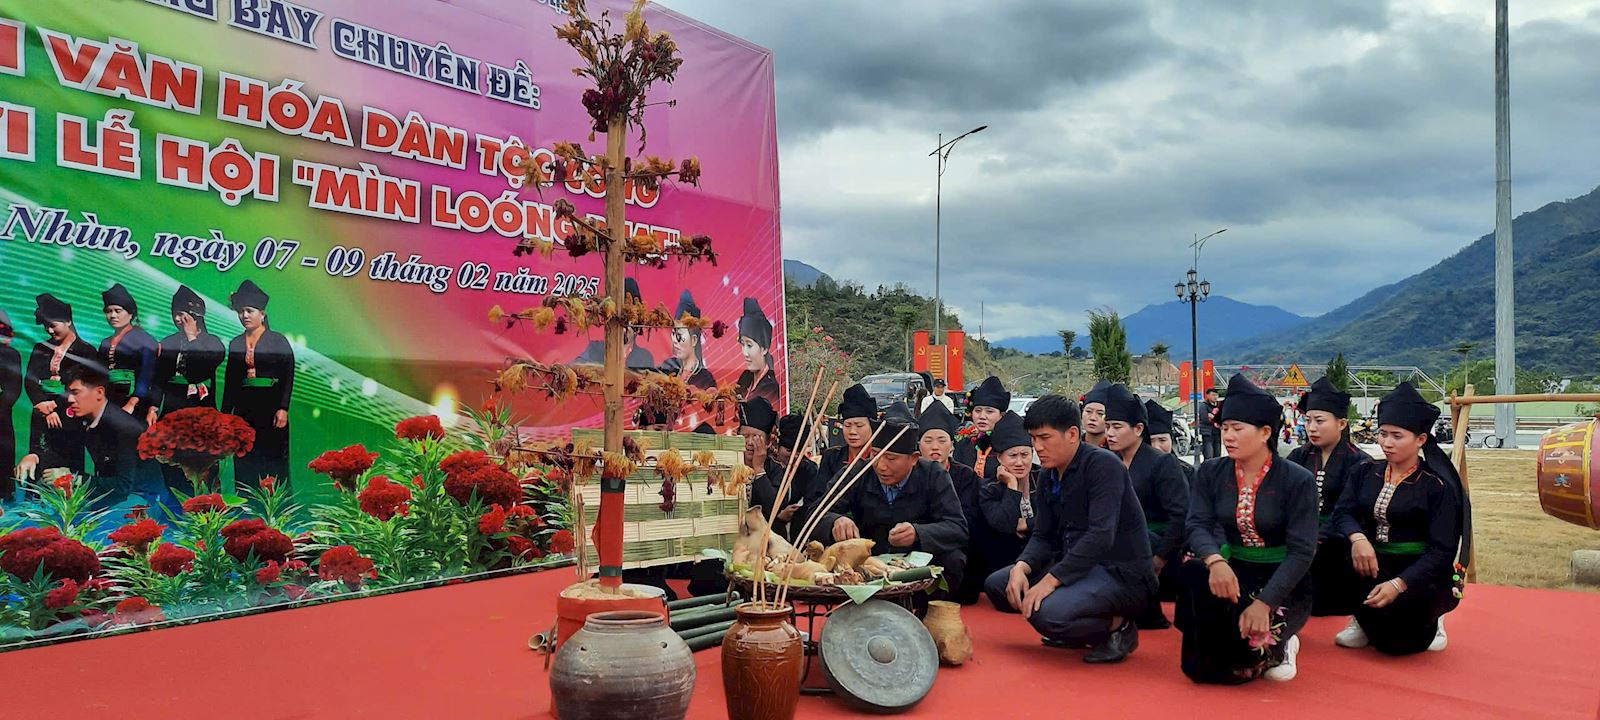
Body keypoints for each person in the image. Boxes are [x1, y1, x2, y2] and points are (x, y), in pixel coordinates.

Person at [985, 395, 1155, 664]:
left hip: (1117, 571)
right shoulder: (1049, 474)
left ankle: (1118, 627)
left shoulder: (1103, 465)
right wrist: (1022, 566)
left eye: (1044, 438)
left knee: (1046, 612)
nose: (1037, 447)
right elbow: (1042, 534)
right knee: (1000, 584)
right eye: (1033, 439)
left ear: (1073, 434)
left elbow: (1100, 536)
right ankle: (1071, 617)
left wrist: (1051, 581)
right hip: (1072, 560)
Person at [1177, 373, 1317, 684]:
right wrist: (1215, 562)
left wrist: (1265, 602)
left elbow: (1302, 551)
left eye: (1237, 429)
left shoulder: (1296, 480)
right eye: (1225, 428)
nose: (1228, 436)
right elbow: (1197, 523)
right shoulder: (1211, 472)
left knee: (1243, 668)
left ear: (1265, 432)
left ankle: (1285, 641)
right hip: (1232, 569)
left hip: (1282, 579)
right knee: (1201, 670)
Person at [1329, 382, 1470, 656]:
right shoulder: (1364, 471)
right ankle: (1362, 616)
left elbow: (1441, 550)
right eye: (1383, 434)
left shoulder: (1436, 486)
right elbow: (1342, 513)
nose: (1386, 443)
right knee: (1333, 549)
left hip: (1418, 571)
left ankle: (1434, 614)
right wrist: (1357, 538)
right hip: (1369, 562)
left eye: (1397, 436)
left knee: (1400, 645)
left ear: (1420, 440)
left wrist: (1399, 583)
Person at [818, 402, 968, 597]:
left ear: (914, 459)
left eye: (891, 458)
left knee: (953, 559)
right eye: (875, 455)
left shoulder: (933, 474)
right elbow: (815, 513)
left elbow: (957, 527)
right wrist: (835, 520)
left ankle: (928, 617)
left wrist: (918, 533)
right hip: (868, 561)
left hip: (915, 561)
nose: (880, 466)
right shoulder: (858, 471)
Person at [1103, 384, 1189, 630]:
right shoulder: (1107, 461)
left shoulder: (1162, 463)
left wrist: (1161, 557)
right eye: (1108, 426)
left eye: (1117, 427)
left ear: (1138, 429)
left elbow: (1180, 515)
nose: (1110, 433)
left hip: (1159, 545)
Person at [16, 365, 161, 509]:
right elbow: (64, 453)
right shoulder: (83, 418)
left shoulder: (125, 428)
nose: (70, 399)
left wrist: (74, 479)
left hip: (143, 498)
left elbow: (123, 486)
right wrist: (35, 457)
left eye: (76, 392)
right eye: (68, 393)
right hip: (111, 494)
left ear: (99, 392)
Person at [1286, 378, 1372, 617]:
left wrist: (1318, 536)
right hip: (1301, 534)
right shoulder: (1298, 456)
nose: (1311, 427)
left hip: (1337, 539)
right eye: (1308, 420)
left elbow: (1350, 511)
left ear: (1342, 423)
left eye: (1319, 421)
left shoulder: (1359, 462)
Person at [150, 285, 227, 495]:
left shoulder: (213, 343)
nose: (179, 320)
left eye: (183, 315)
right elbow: (159, 378)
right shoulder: (167, 343)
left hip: (201, 416)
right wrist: (153, 407)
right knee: (171, 469)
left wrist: (192, 337)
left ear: (195, 317)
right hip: (173, 413)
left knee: (203, 471)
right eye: (176, 315)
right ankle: (175, 511)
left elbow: (198, 372)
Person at [222, 280, 294, 492]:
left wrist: (283, 408)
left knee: (273, 460)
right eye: (241, 311)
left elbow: (288, 373)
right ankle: (247, 509)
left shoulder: (278, 341)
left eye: (249, 311)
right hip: (244, 410)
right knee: (244, 459)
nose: (244, 316)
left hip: (271, 406)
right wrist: (226, 415)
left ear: (262, 314)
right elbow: (231, 382)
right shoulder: (235, 343)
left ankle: (277, 512)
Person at [916, 399, 985, 604]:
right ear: (918, 445)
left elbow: (968, 520)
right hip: (917, 544)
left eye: (941, 440)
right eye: (928, 441)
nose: (935, 447)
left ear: (952, 445)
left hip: (953, 545)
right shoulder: (910, 474)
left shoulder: (966, 476)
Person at [22, 294, 96, 478]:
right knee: (36, 459)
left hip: (70, 413)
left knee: (67, 463)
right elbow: (30, 380)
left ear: (68, 321)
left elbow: (86, 387)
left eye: (53, 325)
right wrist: (43, 405)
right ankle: (35, 503)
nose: (49, 330)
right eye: (46, 326)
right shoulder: (41, 348)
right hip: (41, 411)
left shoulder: (85, 351)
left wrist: (56, 406)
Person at [977, 411, 1039, 589]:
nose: (1020, 462)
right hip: (1003, 561)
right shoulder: (989, 489)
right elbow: (1004, 524)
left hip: (1040, 557)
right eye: (1013, 456)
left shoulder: (1044, 479)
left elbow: (1056, 519)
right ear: (999, 458)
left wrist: (1026, 524)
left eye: (1025, 455)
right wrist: (1012, 485)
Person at [657, 289, 717, 433]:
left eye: (680, 336)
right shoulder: (666, 368)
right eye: (673, 334)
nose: (675, 341)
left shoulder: (705, 379)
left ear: (694, 340)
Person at [97, 283, 157, 417]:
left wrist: (132, 403)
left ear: (130, 314)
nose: (112, 315)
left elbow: (147, 374)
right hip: (108, 401)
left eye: (118, 311)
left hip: (135, 403)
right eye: (108, 311)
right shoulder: (105, 343)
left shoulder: (144, 340)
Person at [573, 278, 656, 372]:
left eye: (630, 319)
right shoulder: (595, 350)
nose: (624, 326)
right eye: (620, 318)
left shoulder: (644, 357)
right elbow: (576, 370)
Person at [817, 383, 876, 484]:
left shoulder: (879, 460)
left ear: (872, 426)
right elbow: (818, 494)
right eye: (847, 426)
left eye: (859, 426)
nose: (852, 432)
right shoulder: (831, 457)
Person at [952, 375, 1008, 478]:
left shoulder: (1008, 447)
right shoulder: (963, 445)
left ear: (1001, 415)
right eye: (978, 410)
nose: (982, 416)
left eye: (989, 411)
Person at [734, 297, 781, 408]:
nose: (745, 353)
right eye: (742, 344)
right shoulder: (745, 379)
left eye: (749, 345)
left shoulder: (770, 388)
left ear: (764, 349)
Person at [1145, 399, 1198, 486]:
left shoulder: (1187, 473)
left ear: (1171, 440)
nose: (1156, 447)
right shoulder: (1129, 472)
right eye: (1150, 441)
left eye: (1162, 440)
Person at [0, 310, 22, 503]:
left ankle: (6, 492)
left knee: (4, 453)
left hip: (1, 413)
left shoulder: (9, 354)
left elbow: (13, 388)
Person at [1080, 380, 1111, 449]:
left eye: (1100, 414)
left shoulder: (1119, 451)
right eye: (1088, 411)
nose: (1092, 418)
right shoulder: (1072, 447)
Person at [1198, 387, 1221, 460]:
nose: (1215, 397)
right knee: (1209, 455)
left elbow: (1222, 418)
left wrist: (1213, 417)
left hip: (1217, 432)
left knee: (1217, 455)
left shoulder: (1218, 405)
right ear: (1207, 395)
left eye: (1216, 395)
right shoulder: (1203, 405)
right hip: (1207, 433)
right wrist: (1216, 419)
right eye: (1213, 395)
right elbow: (1205, 419)